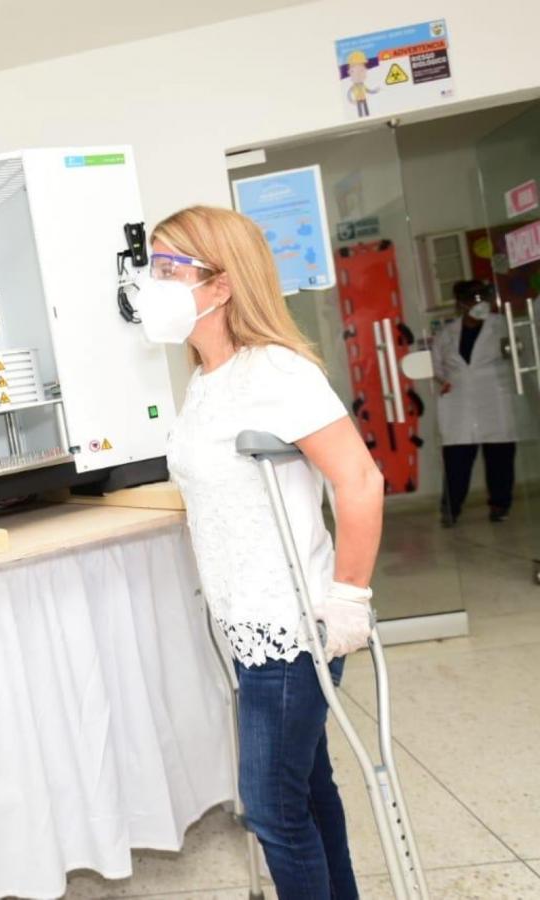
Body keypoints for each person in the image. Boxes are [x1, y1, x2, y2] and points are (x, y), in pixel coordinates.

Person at [131, 206, 385, 900]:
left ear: (220, 286)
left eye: (168, 268)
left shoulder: (276, 370)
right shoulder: (207, 378)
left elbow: (360, 480)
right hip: (246, 622)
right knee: (308, 788)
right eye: (152, 266)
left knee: (272, 807)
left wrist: (350, 597)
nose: (152, 282)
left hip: (290, 626)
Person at [431, 279, 518, 525]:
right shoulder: (446, 333)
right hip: (460, 403)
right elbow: (436, 365)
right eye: (473, 300)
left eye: (483, 298)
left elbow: (518, 355)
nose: (480, 304)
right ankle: (451, 509)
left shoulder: (502, 325)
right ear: (461, 304)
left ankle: (500, 506)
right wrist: (444, 380)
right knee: (457, 459)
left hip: (495, 398)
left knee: (500, 457)